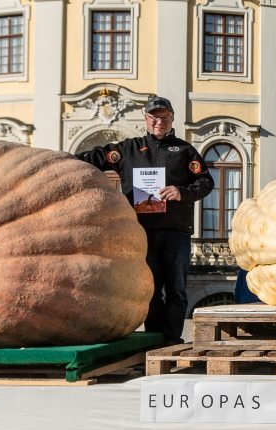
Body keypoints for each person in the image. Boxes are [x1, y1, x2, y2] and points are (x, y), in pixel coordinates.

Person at [76, 96, 213, 344]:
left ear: (172, 119)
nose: (159, 122)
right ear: (146, 119)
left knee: (177, 291)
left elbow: (205, 183)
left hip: (176, 232)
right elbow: (95, 157)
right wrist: (61, 161)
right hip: (141, 233)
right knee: (148, 289)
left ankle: (171, 340)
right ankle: (153, 339)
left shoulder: (184, 151)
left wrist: (182, 192)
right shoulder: (128, 150)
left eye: (164, 117)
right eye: (154, 117)